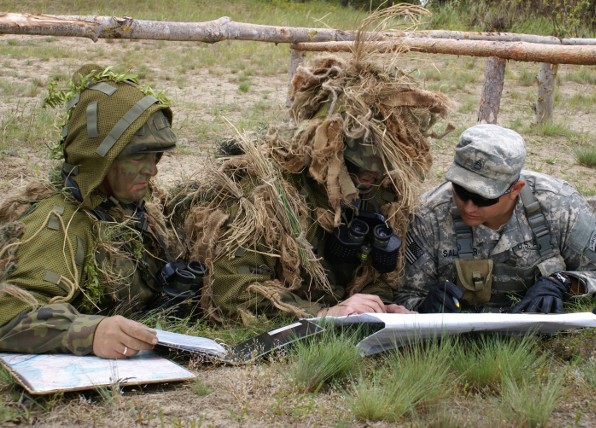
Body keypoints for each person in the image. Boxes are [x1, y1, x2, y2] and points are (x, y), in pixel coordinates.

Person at [167, 53, 453, 323]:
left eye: (379, 172)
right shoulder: (267, 193)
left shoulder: (381, 193)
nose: (369, 180)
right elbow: (233, 293)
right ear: (326, 150)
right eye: (356, 168)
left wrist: (377, 308)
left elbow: (377, 276)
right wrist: (322, 315)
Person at [0, 64, 191, 358]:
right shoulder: (60, 224)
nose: (152, 170)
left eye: (156, 156)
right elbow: (10, 315)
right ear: (100, 160)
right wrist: (89, 333)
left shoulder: (128, 207)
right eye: (139, 156)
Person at [395, 123, 596, 314]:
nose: (468, 206)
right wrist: (427, 306)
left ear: (515, 189)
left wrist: (562, 283)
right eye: (461, 191)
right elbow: (405, 297)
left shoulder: (559, 206)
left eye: (484, 198)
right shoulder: (429, 215)